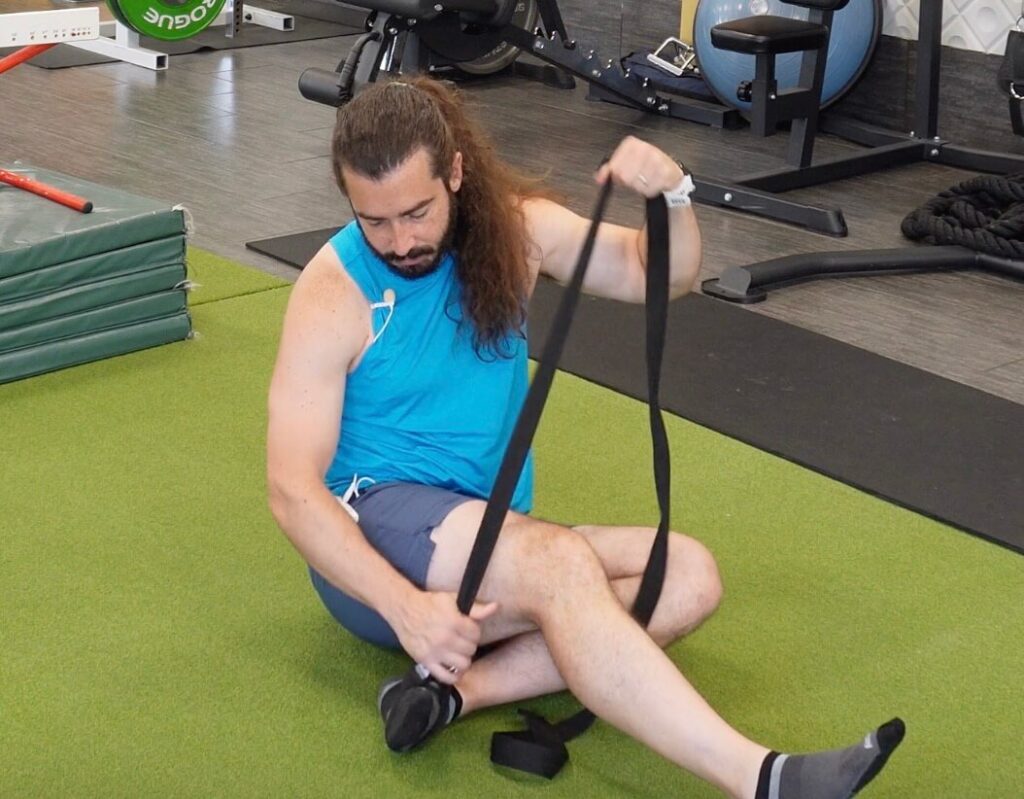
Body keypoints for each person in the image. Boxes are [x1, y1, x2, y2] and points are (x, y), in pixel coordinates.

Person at [266, 76, 904, 799]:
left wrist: (673, 195)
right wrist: (403, 607)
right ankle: (762, 777)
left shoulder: (518, 230)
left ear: (455, 171)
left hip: (478, 541)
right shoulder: (333, 291)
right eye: (374, 220)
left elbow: (659, 274)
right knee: (561, 562)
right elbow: (292, 490)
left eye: (416, 212)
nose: (400, 241)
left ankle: (454, 692)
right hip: (374, 541)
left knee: (687, 574)